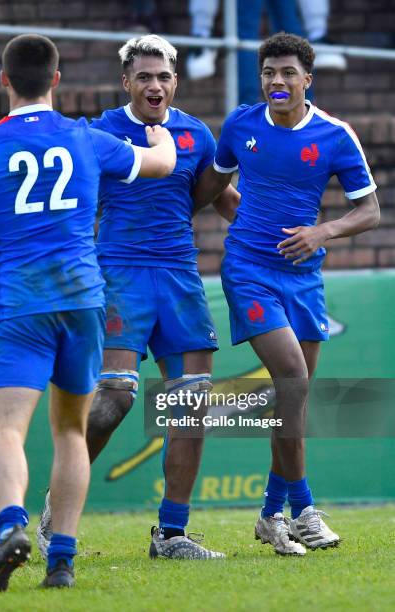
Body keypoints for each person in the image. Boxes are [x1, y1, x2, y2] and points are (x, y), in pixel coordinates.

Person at [0, 34, 176, 591]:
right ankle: (61, 559)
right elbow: (161, 163)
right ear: (57, 80)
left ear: (4, 81)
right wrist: (162, 138)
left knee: (7, 431)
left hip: (24, 304)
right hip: (85, 301)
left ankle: (13, 526)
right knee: (70, 432)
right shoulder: (87, 138)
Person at [37, 34, 240, 560]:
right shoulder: (100, 132)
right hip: (118, 274)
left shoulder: (196, 133)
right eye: (143, 76)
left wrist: (280, 240)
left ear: (176, 81)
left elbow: (216, 198)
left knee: (191, 404)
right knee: (116, 398)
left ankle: (171, 535)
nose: (154, 85)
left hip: (179, 276)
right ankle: (55, 512)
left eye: (163, 76)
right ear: (126, 81)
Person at [193, 33, 379, 555]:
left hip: (304, 278)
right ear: (262, 79)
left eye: (288, 73)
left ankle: (270, 514)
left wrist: (321, 233)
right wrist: (176, 217)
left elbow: (370, 212)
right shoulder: (240, 125)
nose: (277, 82)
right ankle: (305, 512)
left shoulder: (336, 135)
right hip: (248, 270)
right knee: (293, 380)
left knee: (293, 402)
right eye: (269, 73)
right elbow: (214, 186)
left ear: (307, 80)